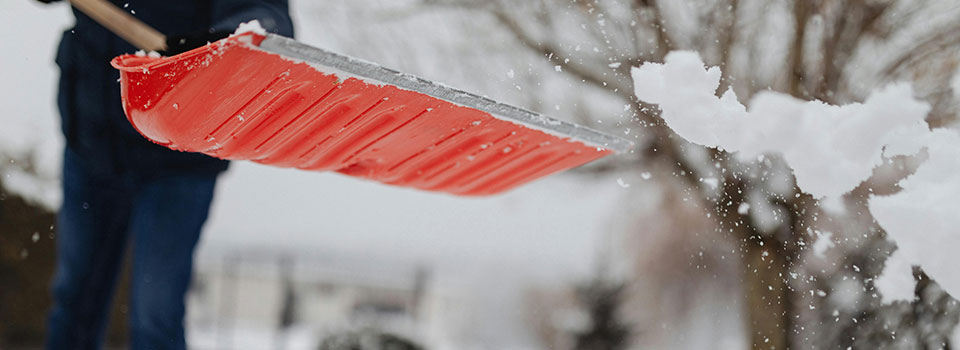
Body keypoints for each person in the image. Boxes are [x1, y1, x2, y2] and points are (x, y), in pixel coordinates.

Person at [36, 0, 294, 349]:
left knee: (156, 313)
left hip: (179, 158)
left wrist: (221, 42)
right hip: (92, 138)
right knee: (74, 298)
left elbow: (267, 15)